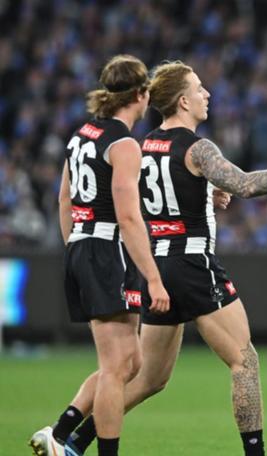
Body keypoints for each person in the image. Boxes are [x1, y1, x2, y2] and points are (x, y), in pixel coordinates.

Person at [51, 60, 267, 456]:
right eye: (199, 89)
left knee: (147, 379)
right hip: (192, 263)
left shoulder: (142, 146)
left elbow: (139, 198)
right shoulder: (198, 147)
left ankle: (74, 440)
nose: (206, 94)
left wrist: (202, 195)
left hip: (153, 265)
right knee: (244, 362)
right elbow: (245, 184)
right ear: (182, 101)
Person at [29, 55, 171, 456]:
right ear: (141, 94)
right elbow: (128, 216)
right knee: (115, 368)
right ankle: (88, 449)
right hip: (107, 249)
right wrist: (154, 278)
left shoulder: (82, 135)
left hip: (82, 245)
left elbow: (64, 198)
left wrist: (75, 246)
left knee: (130, 362)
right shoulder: (124, 145)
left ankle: (59, 434)